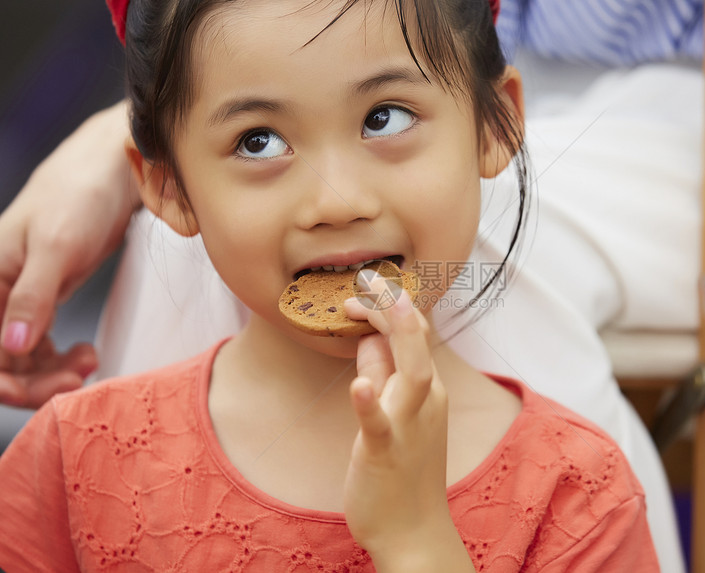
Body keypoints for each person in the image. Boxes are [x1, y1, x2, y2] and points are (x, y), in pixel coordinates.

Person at [0, 0, 659, 570]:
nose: (336, 201)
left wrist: (419, 542)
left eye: (386, 118)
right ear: (168, 187)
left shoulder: (579, 499)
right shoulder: (71, 464)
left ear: (496, 124)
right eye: (258, 141)